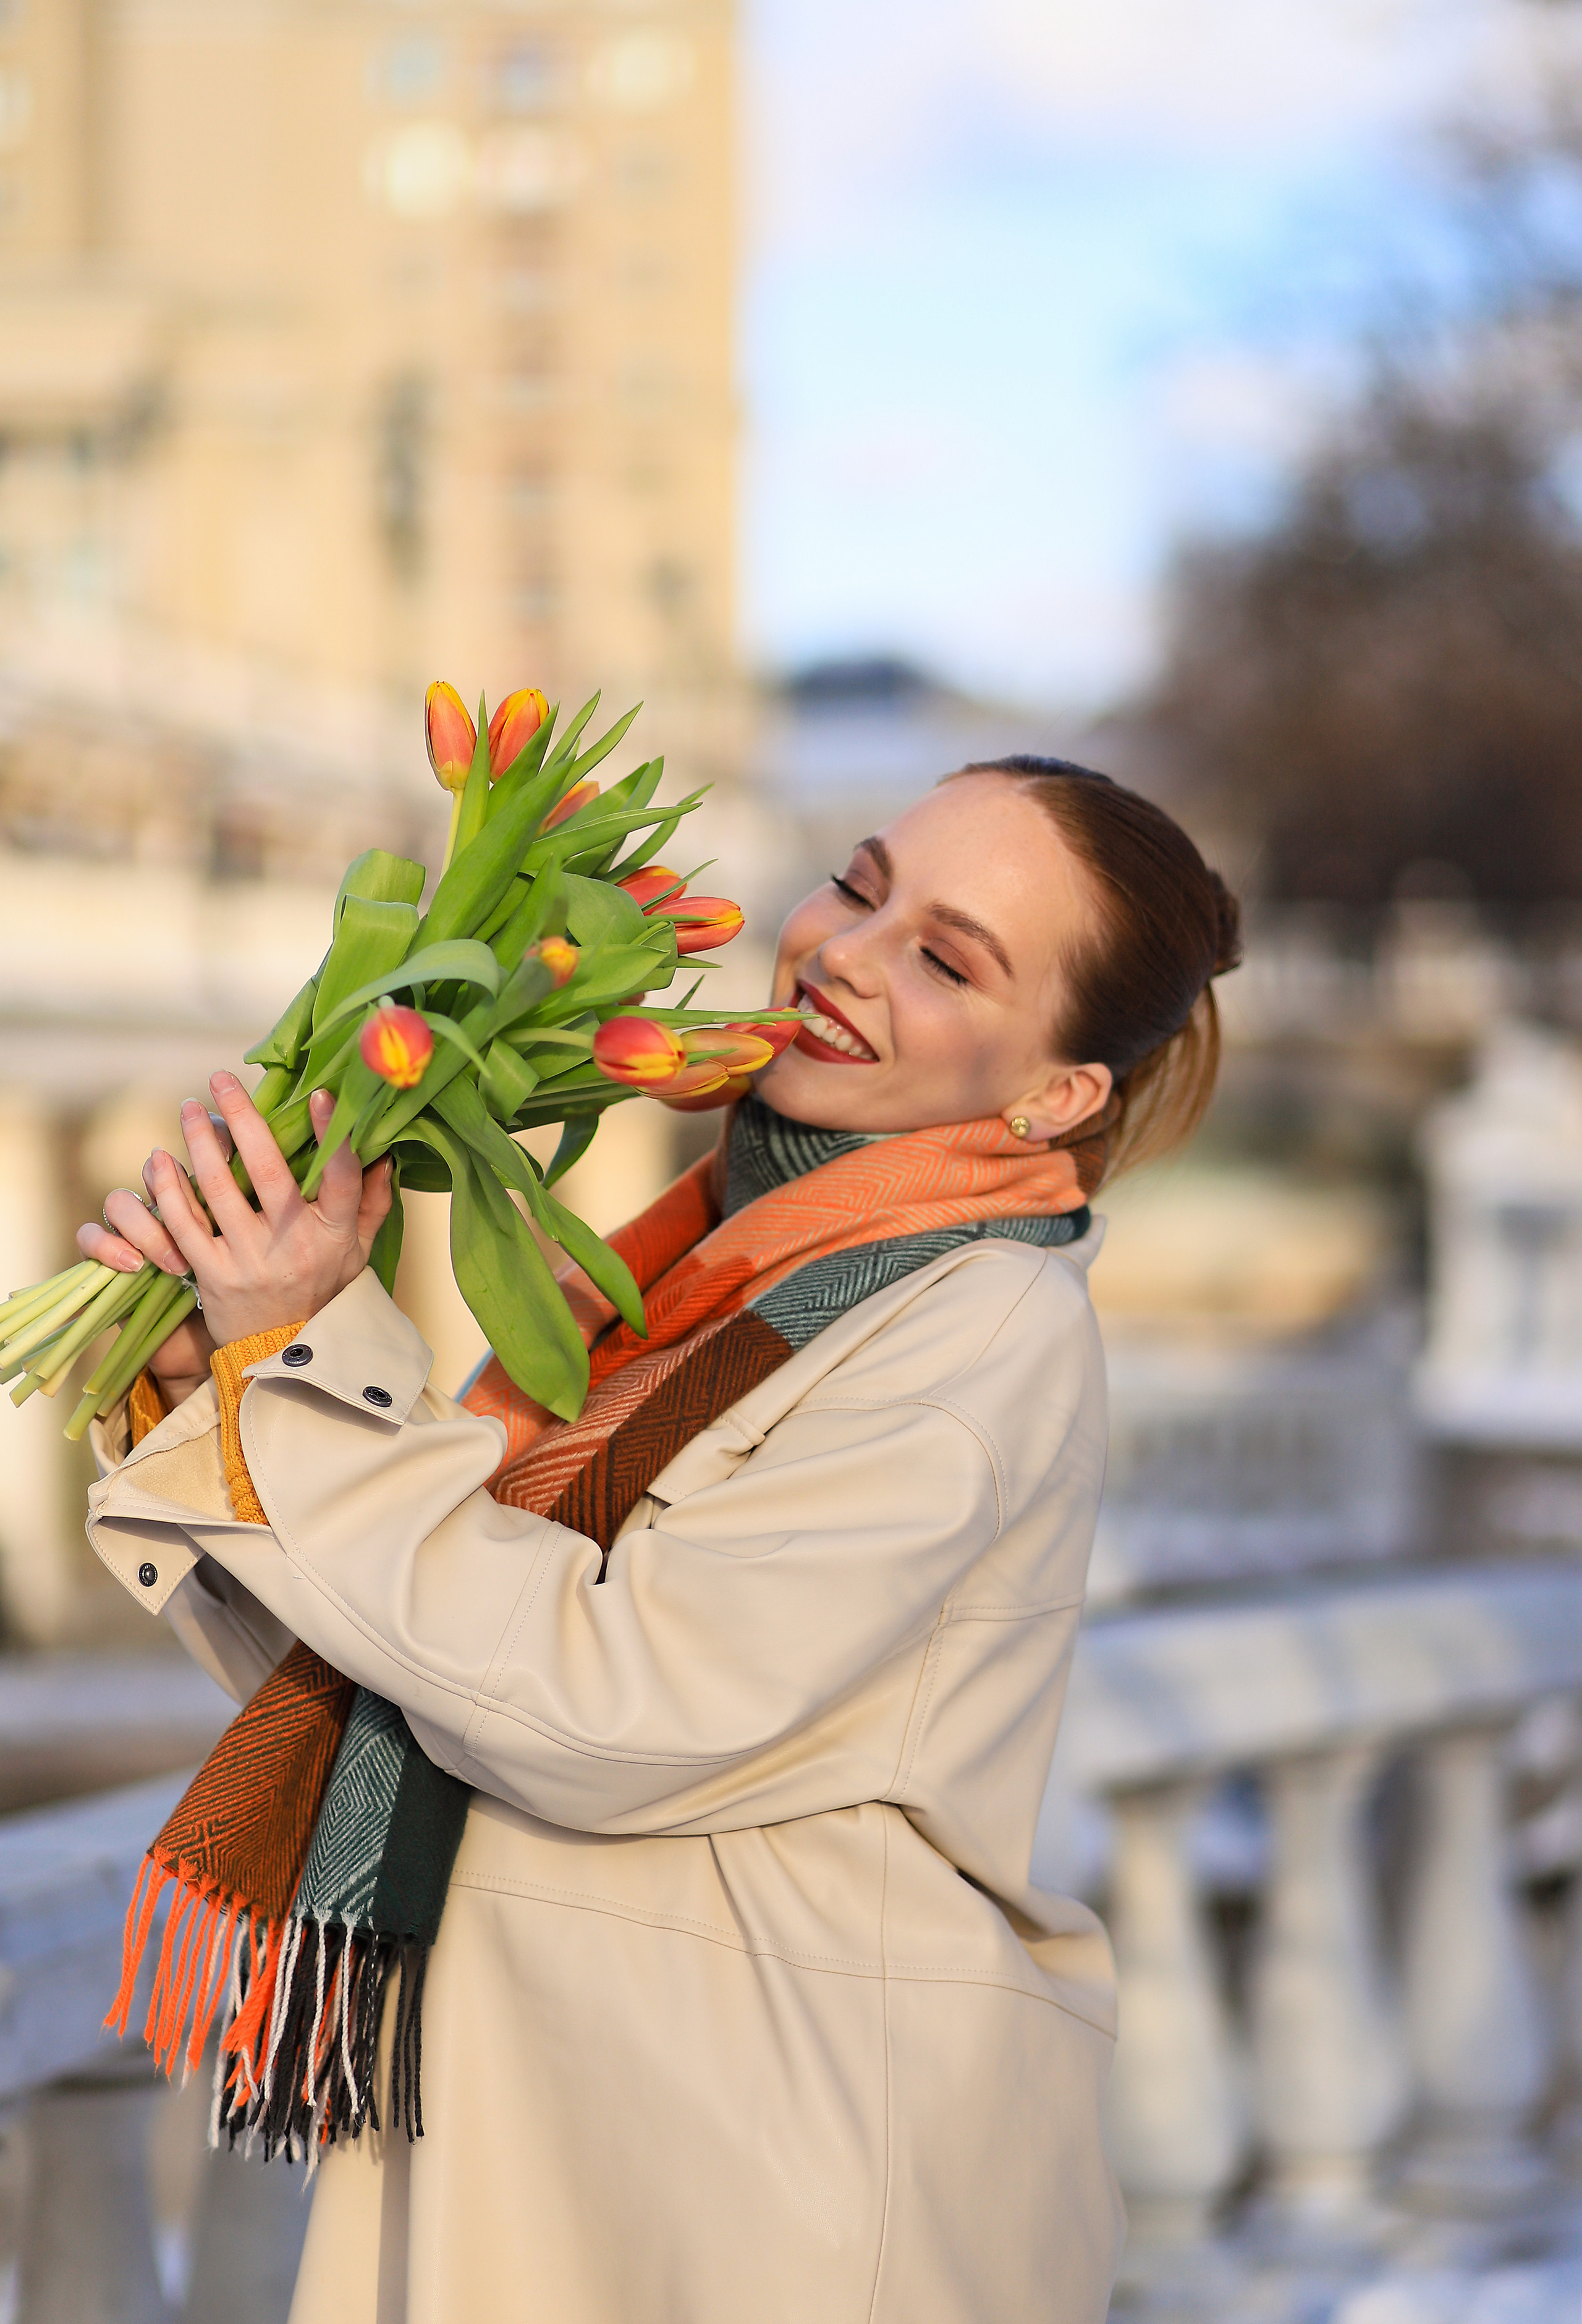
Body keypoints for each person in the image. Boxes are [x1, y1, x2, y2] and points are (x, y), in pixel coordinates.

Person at [82, 756, 1240, 2324]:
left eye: (944, 959)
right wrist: (216, 1373)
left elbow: (601, 1708)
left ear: (1058, 1096)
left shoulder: (974, 1327)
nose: (844, 952)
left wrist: (302, 1365)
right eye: (858, 886)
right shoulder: (706, 1279)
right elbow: (421, 1659)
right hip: (575, 2132)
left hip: (762, 2187)